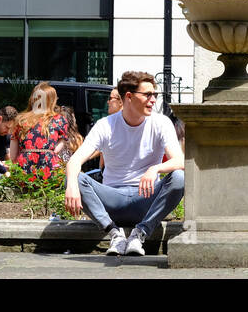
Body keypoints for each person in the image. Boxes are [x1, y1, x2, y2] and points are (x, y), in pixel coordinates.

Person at [64, 72, 185, 257]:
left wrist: (155, 168)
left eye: (155, 95)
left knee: (179, 177)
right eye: (147, 95)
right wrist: (71, 185)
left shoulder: (161, 122)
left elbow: (181, 160)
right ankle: (115, 234)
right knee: (75, 178)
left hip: (146, 198)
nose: (153, 100)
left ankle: (139, 234)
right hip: (112, 201)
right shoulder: (105, 125)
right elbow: (75, 160)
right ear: (129, 96)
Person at [9, 82, 71, 174]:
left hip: (24, 171)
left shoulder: (20, 120)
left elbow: (13, 157)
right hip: (48, 169)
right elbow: (56, 150)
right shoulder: (60, 120)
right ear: (51, 101)